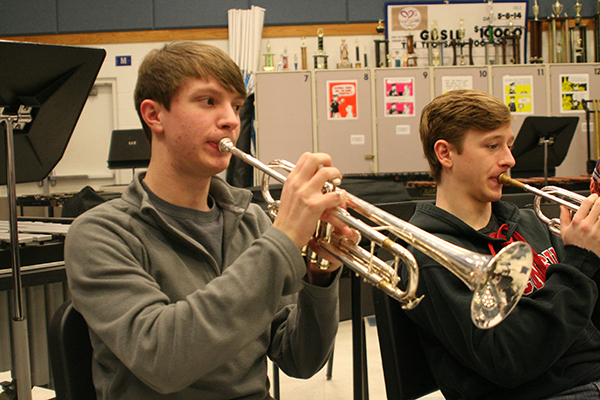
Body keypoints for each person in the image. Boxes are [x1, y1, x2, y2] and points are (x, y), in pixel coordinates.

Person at [64, 41, 353, 400]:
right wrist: (282, 240)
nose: (232, 119)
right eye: (208, 101)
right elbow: (162, 360)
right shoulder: (100, 234)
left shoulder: (250, 221)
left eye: (235, 105)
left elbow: (300, 358)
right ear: (155, 115)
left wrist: (320, 275)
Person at [400, 89, 600, 399]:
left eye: (508, 145)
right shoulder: (430, 255)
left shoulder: (530, 222)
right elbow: (507, 359)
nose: (510, 159)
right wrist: (581, 263)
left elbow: (582, 313)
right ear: (446, 154)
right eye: (493, 146)